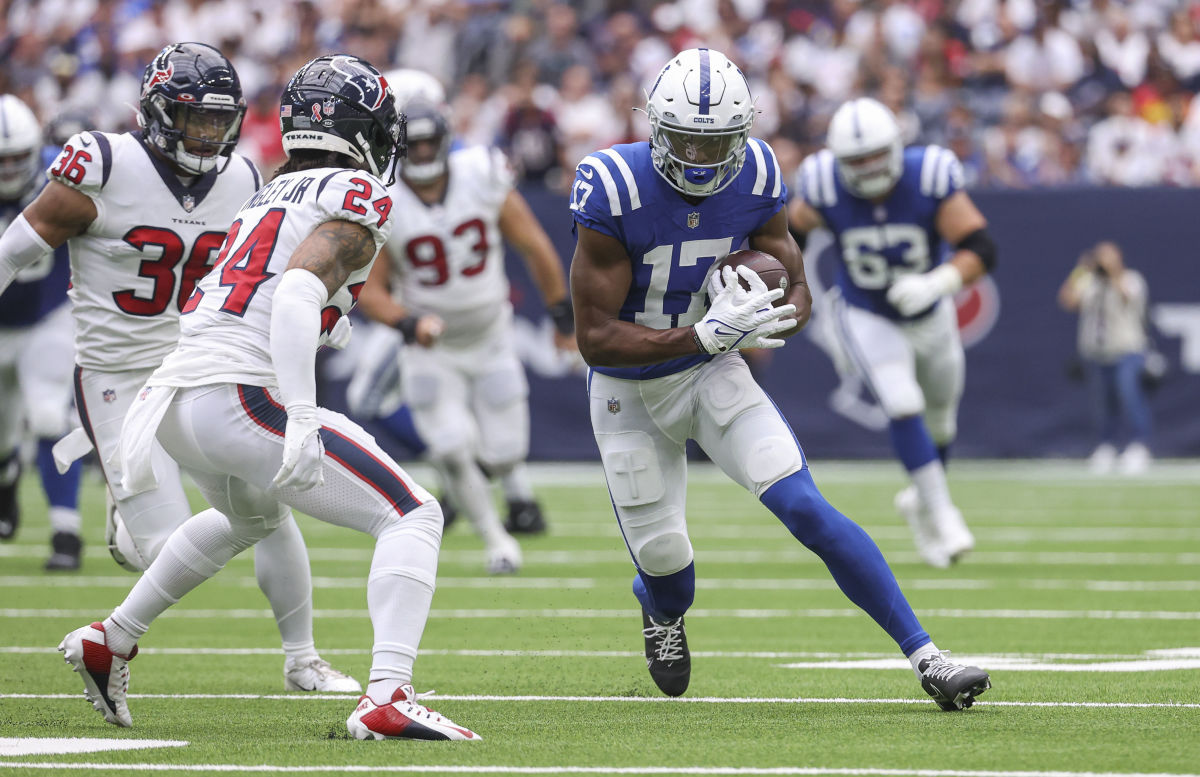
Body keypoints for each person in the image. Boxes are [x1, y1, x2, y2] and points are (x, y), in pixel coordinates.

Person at [59, 54, 479, 741]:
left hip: (178, 399)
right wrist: (306, 417)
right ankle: (388, 694)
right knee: (412, 512)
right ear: (362, 131)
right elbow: (293, 291)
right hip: (236, 392)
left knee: (248, 520)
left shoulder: (271, 192)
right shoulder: (354, 191)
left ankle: (113, 637)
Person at [569, 47, 990, 710]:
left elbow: (794, 282)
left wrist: (777, 317)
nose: (703, 161)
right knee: (671, 570)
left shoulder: (760, 171)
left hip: (712, 373)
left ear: (743, 135)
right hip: (630, 393)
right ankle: (658, 608)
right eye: (687, 142)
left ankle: (928, 656)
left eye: (718, 144)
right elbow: (593, 337)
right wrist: (699, 333)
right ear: (655, 128)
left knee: (805, 507)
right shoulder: (614, 185)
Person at [0, 43, 356, 691]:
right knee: (163, 553)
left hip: (199, 364)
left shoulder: (246, 178)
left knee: (269, 505)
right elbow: (12, 250)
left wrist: (323, 309)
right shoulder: (104, 163)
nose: (207, 133)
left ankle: (303, 659)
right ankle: (120, 511)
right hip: (118, 375)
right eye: (194, 118)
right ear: (159, 111)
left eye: (219, 121)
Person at [357, 97, 578, 572]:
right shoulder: (386, 200)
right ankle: (497, 541)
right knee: (451, 446)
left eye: (427, 144)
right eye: (410, 147)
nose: (419, 155)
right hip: (430, 347)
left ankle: (481, 494)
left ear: (444, 140)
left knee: (504, 453)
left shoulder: (481, 174)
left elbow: (535, 247)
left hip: (490, 336)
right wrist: (409, 322)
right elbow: (370, 292)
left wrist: (563, 318)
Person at [788, 97, 997, 569]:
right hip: (866, 312)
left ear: (897, 147)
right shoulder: (822, 184)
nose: (866, 167)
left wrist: (937, 282)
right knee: (903, 403)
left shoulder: (928, 175)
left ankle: (920, 504)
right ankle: (943, 513)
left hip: (930, 313)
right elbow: (789, 238)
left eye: (875, 155)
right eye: (855, 160)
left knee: (942, 420)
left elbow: (980, 246)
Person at [0, 94, 84, 570]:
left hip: (50, 314)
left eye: (17, 158)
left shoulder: (63, 171)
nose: (10, 169)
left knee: (49, 414)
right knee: (0, 435)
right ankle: (7, 478)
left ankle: (65, 531)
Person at [1057, 241, 1153, 474]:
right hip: (1096, 353)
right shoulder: (1089, 282)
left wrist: (1112, 271)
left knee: (1130, 398)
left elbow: (1128, 297)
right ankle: (1106, 446)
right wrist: (1081, 270)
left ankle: (1139, 447)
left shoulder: (1131, 278)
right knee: (1102, 404)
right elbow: (1067, 300)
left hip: (1126, 351)